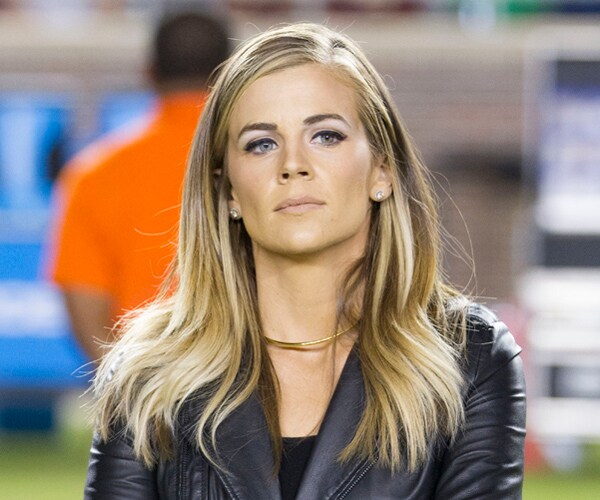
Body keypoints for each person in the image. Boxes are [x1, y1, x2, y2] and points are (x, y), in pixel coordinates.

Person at [85, 23, 526, 499]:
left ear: (381, 170)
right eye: (262, 143)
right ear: (228, 189)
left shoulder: (469, 357)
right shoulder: (146, 373)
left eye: (326, 136)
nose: (293, 164)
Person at [46, 9, 230, 361]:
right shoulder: (264, 162)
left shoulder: (92, 174)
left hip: (145, 381)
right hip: (252, 382)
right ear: (231, 71)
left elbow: (86, 312)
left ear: (149, 72)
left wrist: (133, 387)